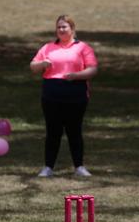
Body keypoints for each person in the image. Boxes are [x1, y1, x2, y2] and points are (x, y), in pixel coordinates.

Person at [30, 15, 98, 177]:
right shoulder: (47, 47)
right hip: (52, 94)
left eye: (64, 27)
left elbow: (93, 69)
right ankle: (48, 167)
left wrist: (76, 75)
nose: (61, 30)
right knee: (53, 131)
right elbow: (33, 66)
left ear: (72, 29)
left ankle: (79, 167)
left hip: (76, 93)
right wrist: (42, 65)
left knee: (74, 131)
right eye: (59, 27)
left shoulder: (83, 47)